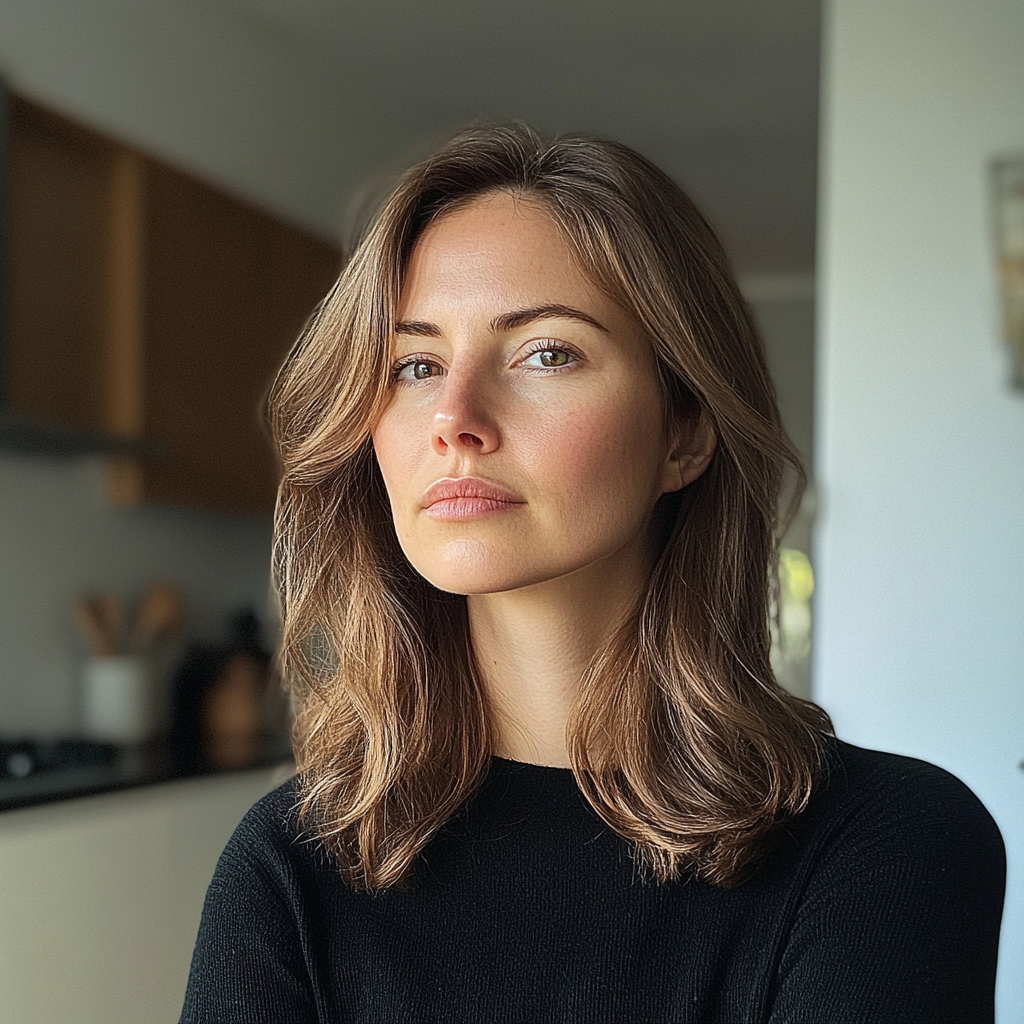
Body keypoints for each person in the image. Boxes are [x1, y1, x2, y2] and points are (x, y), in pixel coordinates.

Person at [179, 124, 1005, 1024]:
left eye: (546, 352)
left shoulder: (891, 844)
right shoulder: (291, 867)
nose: (455, 417)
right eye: (415, 364)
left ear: (683, 431)